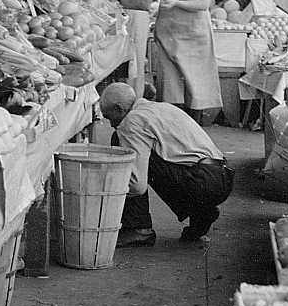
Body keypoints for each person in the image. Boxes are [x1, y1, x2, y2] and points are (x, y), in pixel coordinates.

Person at [100, 82, 234, 247]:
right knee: (161, 154)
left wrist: (105, 187)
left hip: (203, 182)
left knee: (121, 147)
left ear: (119, 109)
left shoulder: (132, 121)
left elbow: (136, 186)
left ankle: (139, 228)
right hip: (222, 177)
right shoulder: (161, 107)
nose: (111, 124)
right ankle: (201, 211)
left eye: (109, 117)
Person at [154, 0, 222, 123]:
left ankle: (195, 127)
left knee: (196, 82)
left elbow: (205, 3)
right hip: (168, 34)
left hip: (193, 35)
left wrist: (177, 3)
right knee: (170, 84)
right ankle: (174, 124)